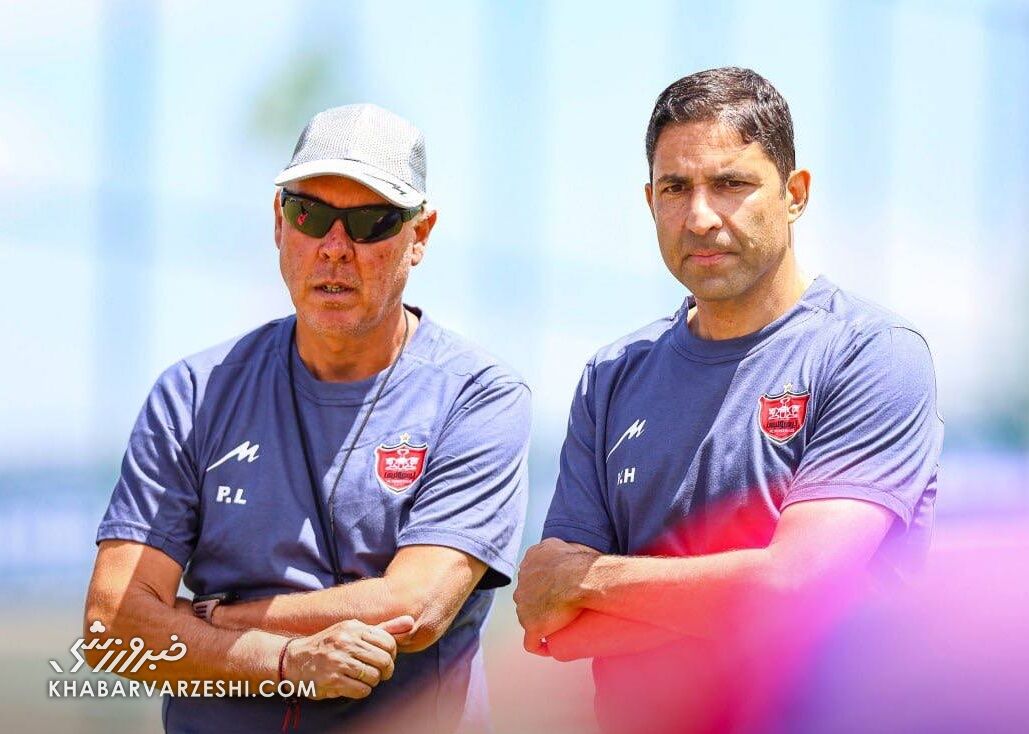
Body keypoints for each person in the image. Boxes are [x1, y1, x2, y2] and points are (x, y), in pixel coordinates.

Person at [514, 67, 943, 734]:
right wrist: (746, 598)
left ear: (795, 195)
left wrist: (592, 581)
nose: (700, 216)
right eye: (674, 188)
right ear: (649, 200)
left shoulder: (870, 353)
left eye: (731, 184)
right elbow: (554, 626)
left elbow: (795, 587)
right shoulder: (613, 375)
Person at [85, 103, 530, 734]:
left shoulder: (478, 396)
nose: (335, 248)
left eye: (371, 223)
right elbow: (111, 626)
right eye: (310, 215)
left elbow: (414, 608)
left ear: (420, 235)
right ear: (279, 220)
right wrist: (286, 661)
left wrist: (212, 617)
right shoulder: (194, 393)